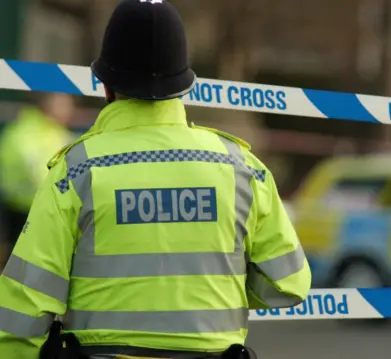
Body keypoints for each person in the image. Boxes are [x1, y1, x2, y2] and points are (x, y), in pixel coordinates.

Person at [0, 0, 311, 358]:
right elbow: (289, 283)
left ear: (105, 85)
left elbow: (22, 309)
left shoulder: (76, 171)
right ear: (184, 86)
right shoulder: (242, 168)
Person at [0, 93, 75, 248]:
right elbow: (40, 176)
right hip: (34, 209)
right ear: (47, 107)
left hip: (21, 205)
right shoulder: (36, 134)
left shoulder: (31, 130)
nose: (70, 111)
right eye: (64, 106)